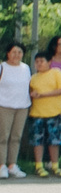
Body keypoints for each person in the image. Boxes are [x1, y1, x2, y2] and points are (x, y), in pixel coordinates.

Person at [25, 41, 61, 176]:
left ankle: (55, 165)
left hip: (55, 113)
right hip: (37, 114)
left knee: (54, 141)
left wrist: (42, 95)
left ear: (49, 62)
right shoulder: (33, 78)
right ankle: (39, 166)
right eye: (36, 61)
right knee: (38, 141)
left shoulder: (56, 73)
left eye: (42, 61)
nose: (39, 64)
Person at [0, 41, 29, 177]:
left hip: (22, 106)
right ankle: (2, 165)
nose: (17, 55)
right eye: (14, 52)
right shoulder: (2, 67)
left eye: (19, 52)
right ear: (8, 54)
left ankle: (12, 164)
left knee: (16, 137)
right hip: (4, 105)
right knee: (3, 136)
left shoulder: (26, 68)